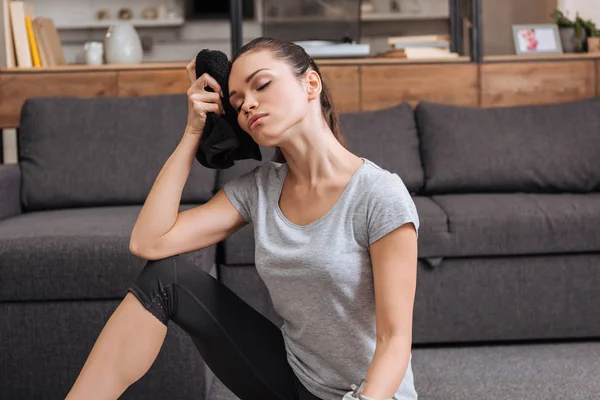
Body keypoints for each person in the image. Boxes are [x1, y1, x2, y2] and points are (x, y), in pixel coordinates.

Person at [65, 37, 420, 400]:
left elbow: (394, 340)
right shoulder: (260, 189)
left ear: (310, 84)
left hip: (369, 394)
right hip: (294, 381)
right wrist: (192, 132)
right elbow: (148, 242)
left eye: (262, 85)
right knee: (164, 278)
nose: (248, 104)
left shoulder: (379, 194)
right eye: (236, 102)